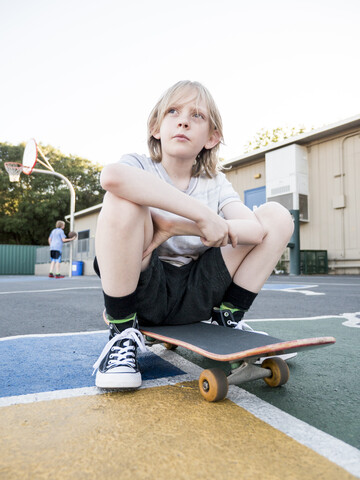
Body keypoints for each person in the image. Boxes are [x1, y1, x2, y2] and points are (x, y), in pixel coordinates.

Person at [92, 80, 294, 389]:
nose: (184, 120)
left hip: (199, 292)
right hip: (146, 289)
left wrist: (177, 225)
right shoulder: (138, 166)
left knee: (277, 216)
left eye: (197, 115)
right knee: (121, 200)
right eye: (173, 111)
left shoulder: (215, 182)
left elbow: (255, 230)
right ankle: (121, 331)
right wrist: (201, 217)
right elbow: (112, 176)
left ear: (212, 137)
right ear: (156, 127)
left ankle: (228, 319)